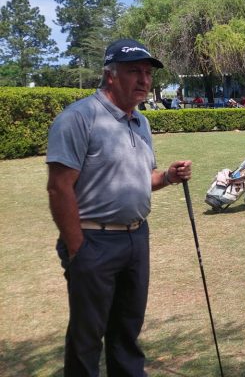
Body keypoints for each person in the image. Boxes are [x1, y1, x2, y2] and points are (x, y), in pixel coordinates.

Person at [46, 38, 192, 376]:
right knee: (87, 337)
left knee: (127, 330)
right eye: (134, 72)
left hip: (136, 239)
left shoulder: (140, 122)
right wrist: (77, 247)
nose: (144, 80)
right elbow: (59, 187)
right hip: (92, 241)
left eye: (147, 73)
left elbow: (142, 178)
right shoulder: (79, 118)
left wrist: (168, 176)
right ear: (110, 75)